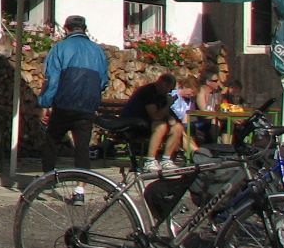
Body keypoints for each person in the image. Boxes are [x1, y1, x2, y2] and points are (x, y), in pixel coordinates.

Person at [36, 15, 109, 171]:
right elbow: (103, 80)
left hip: (64, 104)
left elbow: (52, 79)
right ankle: (81, 184)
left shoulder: (60, 48)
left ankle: (48, 178)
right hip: (87, 106)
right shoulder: (98, 51)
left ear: (66, 29)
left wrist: (45, 103)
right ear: (85, 29)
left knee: (51, 142)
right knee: (82, 147)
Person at [121, 71, 184, 171]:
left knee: (178, 128)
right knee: (161, 126)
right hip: (133, 122)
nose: (169, 92)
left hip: (148, 122)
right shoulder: (148, 92)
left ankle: (166, 159)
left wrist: (172, 121)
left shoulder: (162, 95)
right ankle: (149, 161)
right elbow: (155, 116)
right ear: (163, 84)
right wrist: (168, 105)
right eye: (170, 89)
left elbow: (168, 116)